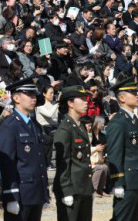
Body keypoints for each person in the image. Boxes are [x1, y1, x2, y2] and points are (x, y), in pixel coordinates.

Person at [0, 78, 49, 221]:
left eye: (34, 95)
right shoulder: (10, 126)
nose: (34, 99)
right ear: (16, 98)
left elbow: (39, 158)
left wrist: (44, 191)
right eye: (29, 95)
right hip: (21, 193)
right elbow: (8, 163)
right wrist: (11, 195)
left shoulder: (34, 125)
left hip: (35, 191)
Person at [107, 77, 138, 221]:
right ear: (122, 98)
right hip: (127, 183)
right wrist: (118, 183)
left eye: (137, 92)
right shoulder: (118, 122)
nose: (137, 95)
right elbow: (115, 155)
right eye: (133, 92)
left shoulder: (133, 120)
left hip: (137, 180)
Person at [53, 85, 93, 221]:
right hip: (72, 188)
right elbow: (62, 162)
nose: (86, 101)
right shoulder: (65, 129)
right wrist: (67, 191)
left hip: (84, 186)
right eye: (81, 99)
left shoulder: (80, 125)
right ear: (70, 103)